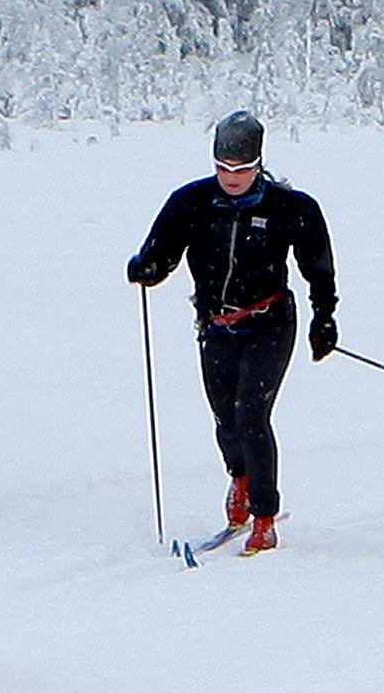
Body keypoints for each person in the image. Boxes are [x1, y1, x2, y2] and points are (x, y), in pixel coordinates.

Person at [126, 110, 336, 554]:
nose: (232, 178)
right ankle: (239, 480)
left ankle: (264, 516)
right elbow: (160, 254)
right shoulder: (191, 203)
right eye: (223, 168)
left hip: (270, 323)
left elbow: (317, 265)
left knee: (251, 415)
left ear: (258, 163)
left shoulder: (290, 208)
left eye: (241, 169)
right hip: (216, 326)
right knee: (225, 418)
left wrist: (324, 317)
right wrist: (147, 268)